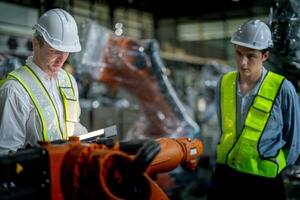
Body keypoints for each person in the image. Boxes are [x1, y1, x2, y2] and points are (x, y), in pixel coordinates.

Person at [207, 19, 300, 200]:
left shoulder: (282, 88)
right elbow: (224, 129)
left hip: (263, 182)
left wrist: (272, 166)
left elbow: (294, 143)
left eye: (251, 56)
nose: (243, 62)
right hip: (225, 176)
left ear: (265, 56)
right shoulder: (224, 83)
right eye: (239, 53)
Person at [0, 8, 87, 154]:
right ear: (35, 44)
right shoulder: (15, 89)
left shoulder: (69, 81)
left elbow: (72, 125)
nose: (61, 59)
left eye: (66, 52)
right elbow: (7, 152)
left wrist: (88, 140)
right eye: (54, 51)